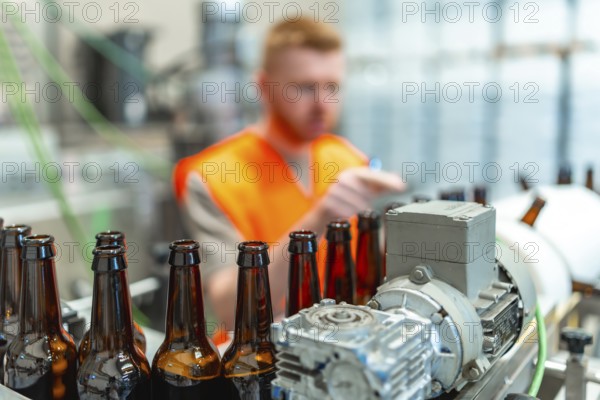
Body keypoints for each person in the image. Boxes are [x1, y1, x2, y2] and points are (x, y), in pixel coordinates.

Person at [174, 18, 405, 333]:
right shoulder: (213, 176)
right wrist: (320, 217)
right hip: (262, 359)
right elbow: (228, 309)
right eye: (305, 88)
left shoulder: (347, 157)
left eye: (332, 87)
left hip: (350, 345)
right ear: (264, 87)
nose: (323, 104)